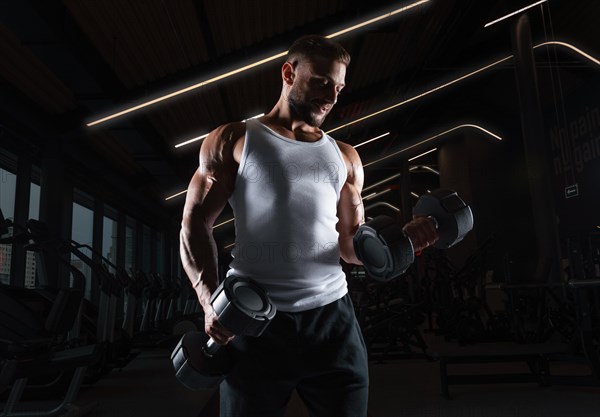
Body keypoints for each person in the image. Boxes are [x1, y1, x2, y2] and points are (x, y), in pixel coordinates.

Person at [180, 34, 438, 417]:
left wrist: (402, 241)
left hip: (333, 321)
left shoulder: (345, 157)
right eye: (321, 81)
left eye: (338, 87)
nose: (332, 95)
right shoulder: (236, 139)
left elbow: (350, 246)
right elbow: (194, 222)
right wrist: (208, 301)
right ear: (288, 72)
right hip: (255, 322)